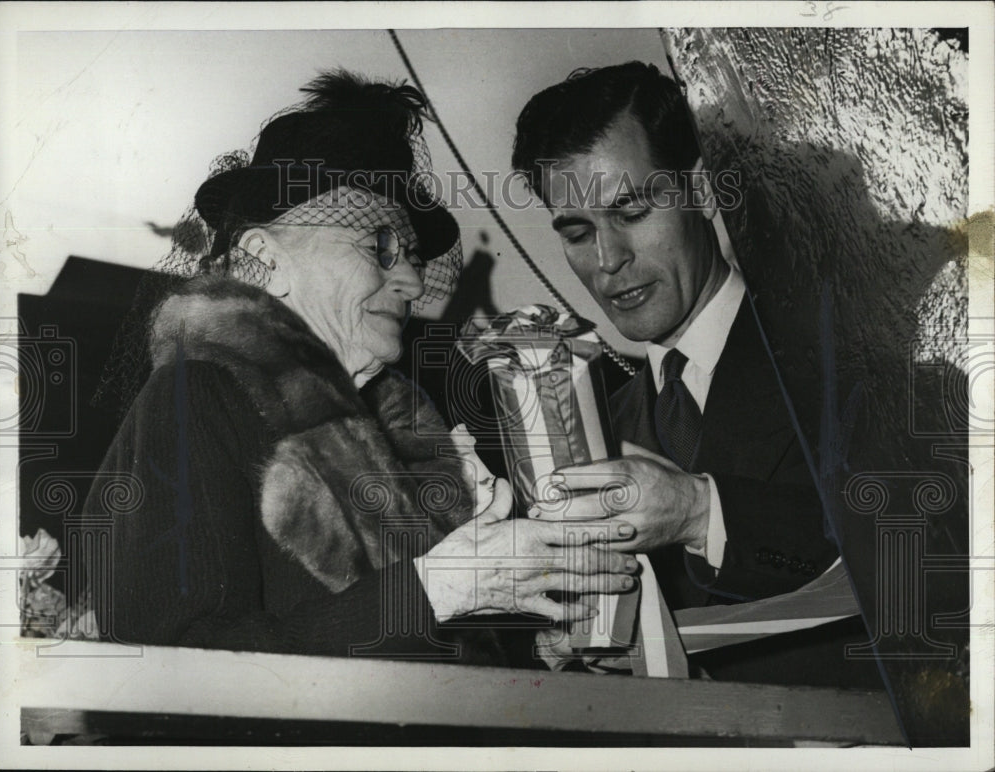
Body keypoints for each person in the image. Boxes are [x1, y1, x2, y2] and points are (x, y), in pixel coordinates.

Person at [83, 70, 638, 665]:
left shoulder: (402, 433)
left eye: (411, 256)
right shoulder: (194, 399)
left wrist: (538, 648)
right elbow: (173, 665)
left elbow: (408, 655)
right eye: (378, 247)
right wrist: (442, 586)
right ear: (264, 260)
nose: (412, 281)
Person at [512, 61, 878, 686]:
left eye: (631, 211)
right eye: (577, 232)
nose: (607, 260)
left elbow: (916, 557)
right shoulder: (602, 428)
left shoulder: (849, 356)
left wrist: (698, 511)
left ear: (702, 191)